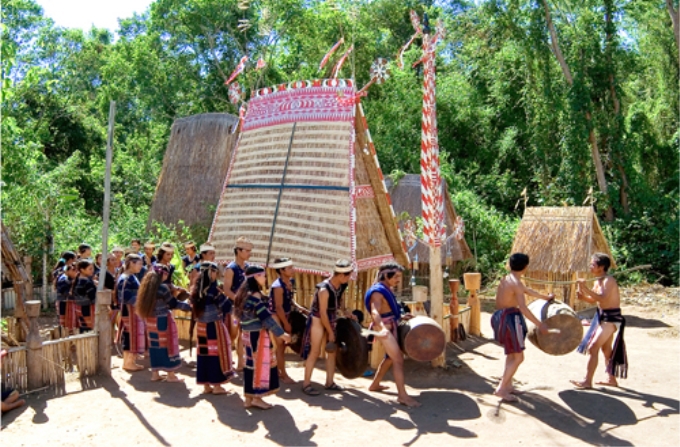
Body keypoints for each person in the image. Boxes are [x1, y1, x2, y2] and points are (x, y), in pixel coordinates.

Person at [492, 253, 552, 402]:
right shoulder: (516, 283)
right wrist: (540, 325)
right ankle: (501, 388)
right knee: (519, 357)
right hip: (510, 319)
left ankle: (508, 386)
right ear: (525, 267)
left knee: (511, 354)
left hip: (499, 317)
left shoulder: (507, 279)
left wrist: (546, 297)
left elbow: (528, 291)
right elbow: (523, 308)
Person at [234, 265, 291, 409]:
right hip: (257, 336)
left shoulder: (243, 294)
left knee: (250, 365)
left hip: (247, 334)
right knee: (260, 365)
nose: (265, 278)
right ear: (256, 277)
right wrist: (281, 334)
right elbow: (265, 318)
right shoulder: (255, 296)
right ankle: (257, 398)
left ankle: (248, 398)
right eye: (263, 276)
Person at [365, 261, 420, 407]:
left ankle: (375, 385)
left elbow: (386, 310)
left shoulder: (386, 289)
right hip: (384, 328)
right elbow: (375, 311)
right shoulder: (377, 292)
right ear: (385, 275)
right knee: (398, 359)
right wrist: (382, 328)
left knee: (390, 358)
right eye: (395, 276)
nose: (398, 280)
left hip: (389, 326)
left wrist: (401, 317)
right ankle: (402, 396)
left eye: (399, 277)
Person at [571, 253, 627, 388]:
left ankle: (587, 380)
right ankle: (611, 379)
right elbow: (591, 299)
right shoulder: (598, 281)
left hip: (611, 319)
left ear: (601, 267)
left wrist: (585, 288)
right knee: (606, 349)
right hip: (602, 317)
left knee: (593, 347)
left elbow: (602, 298)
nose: (590, 266)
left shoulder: (609, 281)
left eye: (593, 264)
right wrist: (581, 289)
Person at [300, 259, 354, 396]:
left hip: (331, 317)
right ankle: (306, 384)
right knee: (315, 351)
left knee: (332, 351)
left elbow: (339, 299)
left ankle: (330, 382)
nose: (349, 278)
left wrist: (345, 311)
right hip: (319, 319)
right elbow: (322, 313)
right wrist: (330, 332)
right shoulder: (324, 289)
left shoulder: (342, 285)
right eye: (348, 275)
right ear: (341, 275)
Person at [136, 265, 191, 382]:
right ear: (163, 274)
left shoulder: (146, 287)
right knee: (167, 345)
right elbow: (172, 304)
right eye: (166, 273)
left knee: (154, 346)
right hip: (162, 320)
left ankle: (155, 374)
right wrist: (189, 306)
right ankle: (171, 374)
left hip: (150, 320)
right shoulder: (162, 288)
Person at [191, 262, 234, 395]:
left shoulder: (196, 290)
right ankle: (217, 385)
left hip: (202, 327)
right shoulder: (214, 290)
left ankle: (206, 385)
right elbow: (226, 306)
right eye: (215, 271)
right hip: (214, 326)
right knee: (216, 352)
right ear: (210, 273)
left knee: (204, 353)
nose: (217, 274)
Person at [269, 257, 305, 384]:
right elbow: (278, 307)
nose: (292, 270)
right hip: (275, 317)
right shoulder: (277, 286)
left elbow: (289, 300)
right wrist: (286, 324)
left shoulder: (289, 282)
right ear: (282, 270)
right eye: (289, 268)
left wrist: (300, 308)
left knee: (282, 346)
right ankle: (283, 374)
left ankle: (278, 371)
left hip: (285, 315)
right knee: (280, 345)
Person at [223, 236, 252, 371]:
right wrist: (238, 300)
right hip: (234, 308)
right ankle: (227, 361)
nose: (249, 253)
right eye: (247, 250)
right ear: (239, 251)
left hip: (246, 307)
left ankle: (241, 362)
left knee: (243, 334)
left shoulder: (248, 268)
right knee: (232, 334)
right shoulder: (231, 269)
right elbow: (226, 289)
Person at [117, 254, 146, 372]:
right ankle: (128, 362)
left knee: (131, 335)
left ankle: (130, 361)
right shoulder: (126, 278)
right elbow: (126, 297)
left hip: (132, 310)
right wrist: (141, 301)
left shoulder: (130, 277)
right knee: (129, 335)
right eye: (139, 263)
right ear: (131, 263)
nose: (141, 266)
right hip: (129, 310)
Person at [72, 259, 98, 333]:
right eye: (90, 269)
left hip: (80, 308)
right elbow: (93, 297)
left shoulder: (79, 280)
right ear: (82, 270)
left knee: (83, 328)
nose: (92, 271)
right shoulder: (87, 282)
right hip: (87, 309)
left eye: (92, 268)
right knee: (88, 330)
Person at [56, 264, 79, 333]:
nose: (75, 272)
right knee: (65, 324)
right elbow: (65, 293)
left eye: (76, 270)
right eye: (73, 270)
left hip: (72, 304)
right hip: (65, 303)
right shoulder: (64, 280)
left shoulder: (74, 279)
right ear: (68, 271)